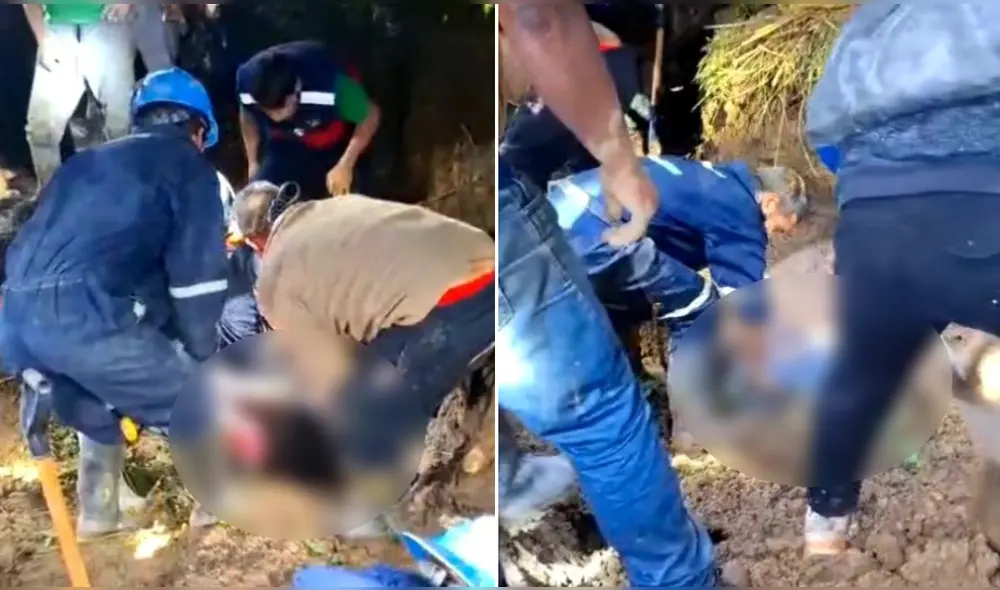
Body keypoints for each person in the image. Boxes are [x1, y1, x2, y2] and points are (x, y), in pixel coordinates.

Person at [497, 3, 719, 587]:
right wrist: (619, 158)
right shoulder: (570, 83)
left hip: (513, 224)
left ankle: (508, 477)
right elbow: (541, 16)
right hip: (571, 230)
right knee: (601, 416)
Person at [803, 2, 1000, 556]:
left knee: (858, 377)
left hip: (879, 224)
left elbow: (828, 139)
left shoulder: (871, 25)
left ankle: (825, 536)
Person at [0, 67, 228, 538]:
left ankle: (99, 516)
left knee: (96, 402)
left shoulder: (86, 164)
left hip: (15, 319)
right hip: (81, 314)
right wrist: (202, 362)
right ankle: (223, 527)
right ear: (199, 129)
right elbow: (197, 285)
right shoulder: (187, 167)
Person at [235, 190, 494, 470]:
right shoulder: (336, 205)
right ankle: (484, 424)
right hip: (497, 267)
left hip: (446, 316)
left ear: (253, 241)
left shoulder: (273, 283)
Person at [21, 3, 170, 186]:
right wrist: (43, 38)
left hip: (108, 25)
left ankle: (122, 194)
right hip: (56, 29)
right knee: (41, 132)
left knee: (121, 126)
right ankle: (52, 201)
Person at [236, 41, 381, 199]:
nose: (277, 118)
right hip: (286, 143)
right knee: (258, 195)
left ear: (296, 89)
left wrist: (346, 164)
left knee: (348, 198)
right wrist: (253, 162)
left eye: (285, 110)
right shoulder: (247, 84)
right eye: (269, 112)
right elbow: (247, 114)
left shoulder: (328, 85)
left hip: (334, 140)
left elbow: (370, 114)